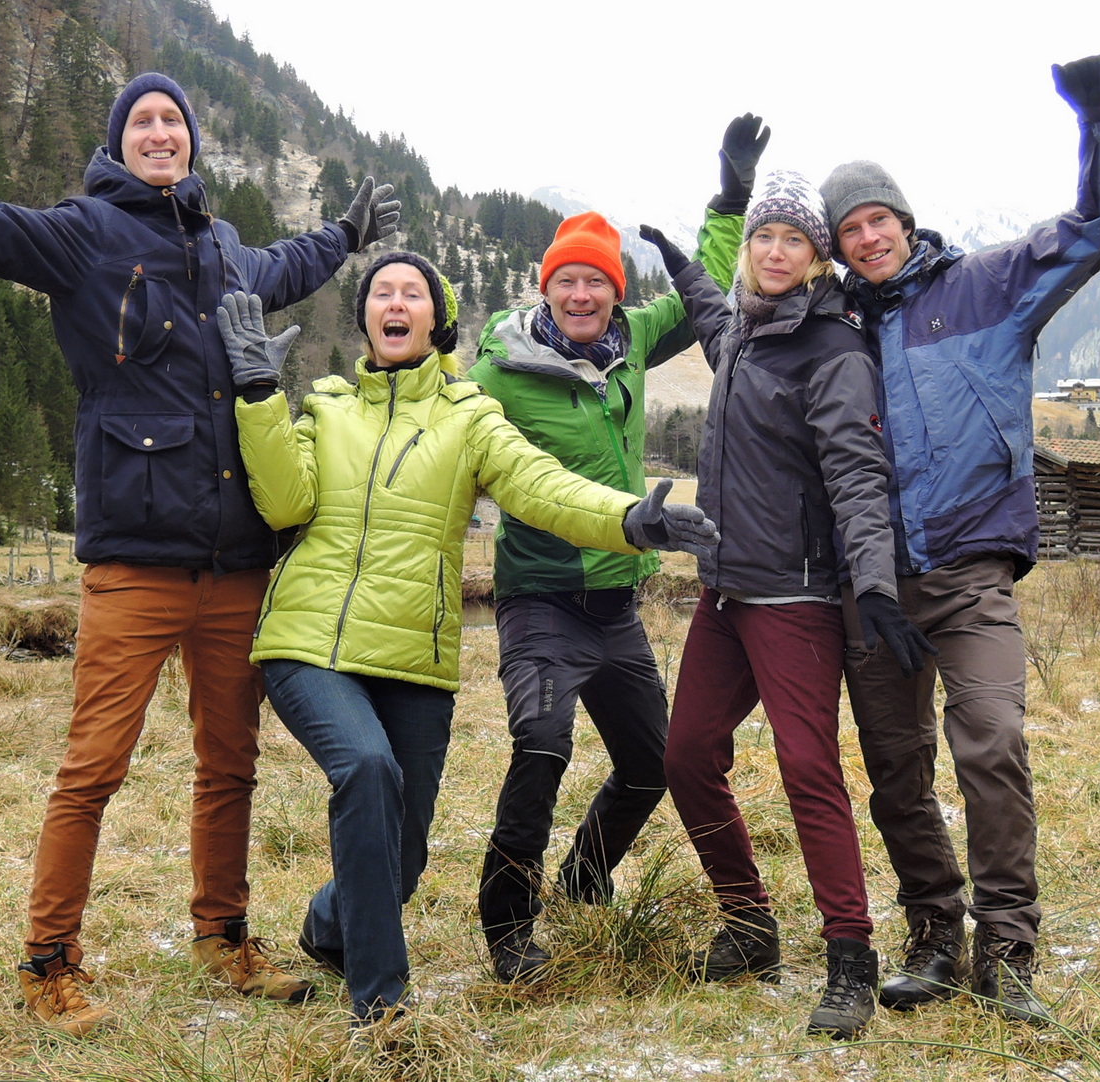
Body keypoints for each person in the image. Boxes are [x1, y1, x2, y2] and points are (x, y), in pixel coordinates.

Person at [0, 59, 400, 1035]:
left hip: (234, 564)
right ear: (116, 143)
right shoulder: (82, 237)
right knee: (93, 767)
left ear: (191, 141)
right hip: (135, 558)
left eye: (172, 121)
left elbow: (293, 265)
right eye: (142, 122)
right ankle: (51, 960)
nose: (160, 133)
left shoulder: (226, 248)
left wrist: (345, 238)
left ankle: (223, 936)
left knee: (232, 764)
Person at [220, 252, 716, 1028]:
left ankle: (327, 927)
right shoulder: (324, 405)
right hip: (311, 640)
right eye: (380, 292)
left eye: (411, 292)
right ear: (366, 317)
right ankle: (382, 1007)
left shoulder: (470, 415)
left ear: (436, 319)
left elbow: (539, 485)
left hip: (414, 655)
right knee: (368, 770)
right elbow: (284, 503)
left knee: (404, 860)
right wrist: (257, 396)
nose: (394, 301)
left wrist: (630, 520)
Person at [820, 53, 1100, 1025]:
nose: (869, 237)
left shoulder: (991, 288)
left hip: (969, 574)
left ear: (906, 222)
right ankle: (935, 934)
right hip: (872, 586)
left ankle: (1007, 951)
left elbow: (1098, 226)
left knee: (992, 739)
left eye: (880, 219)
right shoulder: (836, 331)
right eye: (850, 228)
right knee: (896, 767)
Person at [639, 171, 934, 1041]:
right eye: (764, 237)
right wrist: (686, 266)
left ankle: (851, 957)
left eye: (793, 241)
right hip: (725, 593)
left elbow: (855, 470)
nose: (773, 252)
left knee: (810, 772)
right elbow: (710, 311)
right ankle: (749, 923)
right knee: (687, 754)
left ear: (816, 258)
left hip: (798, 597)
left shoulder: (831, 347)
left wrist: (873, 582)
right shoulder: (744, 331)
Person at [465, 115, 761, 982]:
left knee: (653, 762)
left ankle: (585, 879)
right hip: (541, 597)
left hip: (615, 606)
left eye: (599, 282)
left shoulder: (631, 339)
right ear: (547, 289)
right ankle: (507, 924)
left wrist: (729, 200)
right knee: (543, 743)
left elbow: (704, 286)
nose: (585, 296)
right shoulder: (497, 374)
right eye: (570, 283)